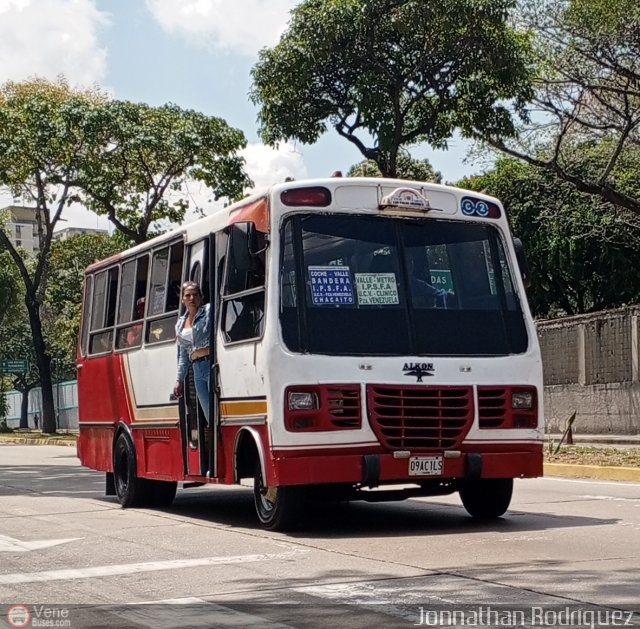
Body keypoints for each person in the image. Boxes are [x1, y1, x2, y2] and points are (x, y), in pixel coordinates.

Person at [173, 281, 211, 422]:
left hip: (211, 365)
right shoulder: (180, 324)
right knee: (208, 415)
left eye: (195, 294)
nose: (191, 298)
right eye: (187, 295)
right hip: (197, 371)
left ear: (201, 297)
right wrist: (179, 380)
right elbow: (183, 355)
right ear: (183, 299)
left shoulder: (209, 312)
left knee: (217, 413)